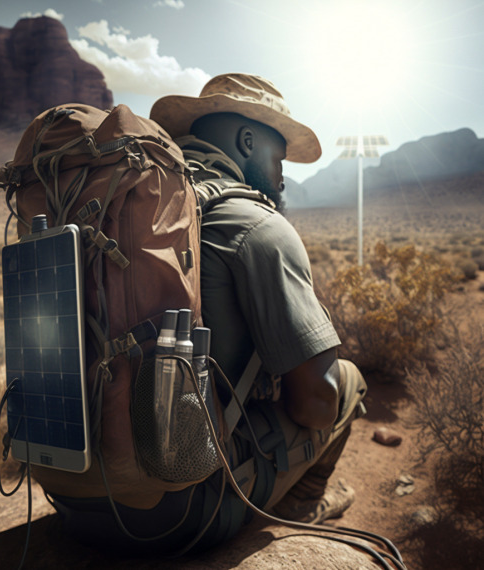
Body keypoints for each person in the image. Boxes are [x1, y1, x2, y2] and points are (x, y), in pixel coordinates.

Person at [52, 73, 367, 555]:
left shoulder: (122, 214)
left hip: (72, 500)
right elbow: (315, 405)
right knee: (345, 380)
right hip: (178, 515)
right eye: (278, 158)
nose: (283, 175)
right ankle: (301, 506)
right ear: (247, 141)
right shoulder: (256, 224)